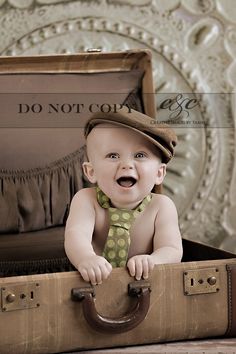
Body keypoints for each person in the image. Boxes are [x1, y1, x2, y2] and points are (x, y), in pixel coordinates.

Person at [64, 107, 182, 285]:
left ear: (159, 173)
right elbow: (75, 235)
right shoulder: (86, 200)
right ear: (91, 171)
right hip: (92, 283)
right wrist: (86, 258)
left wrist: (153, 261)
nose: (127, 164)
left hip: (146, 284)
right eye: (113, 155)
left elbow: (172, 249)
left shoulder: (162, 206)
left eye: (140, 155)